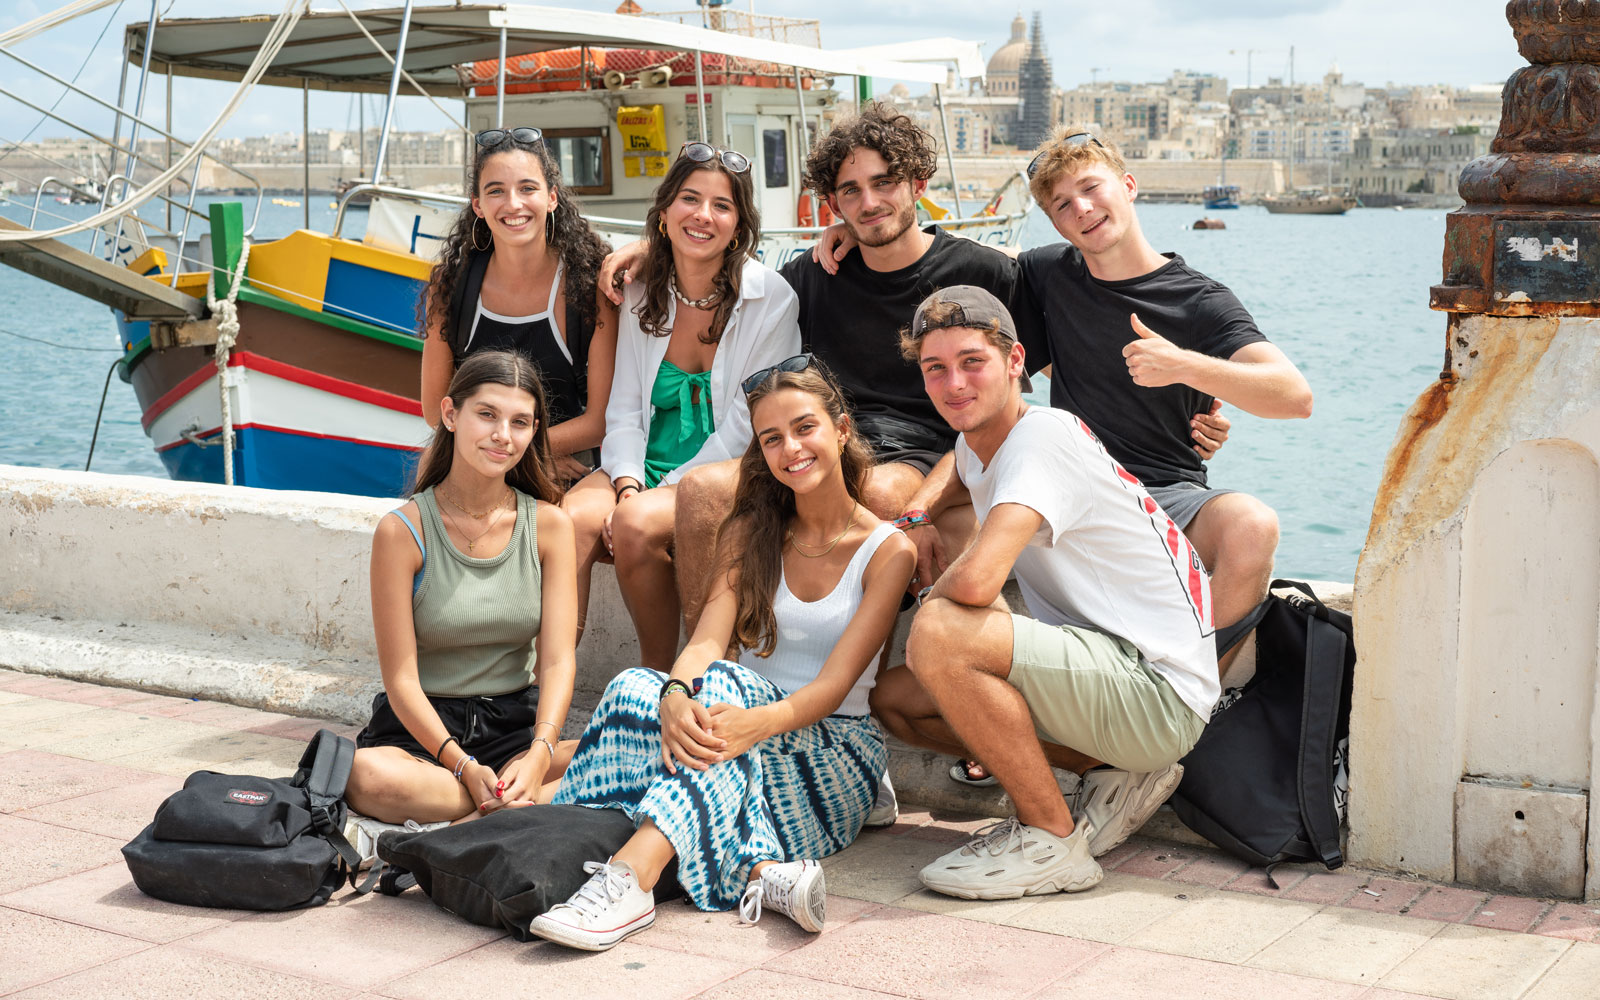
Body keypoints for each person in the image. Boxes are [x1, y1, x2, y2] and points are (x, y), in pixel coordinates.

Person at [529, 360, 915, 951]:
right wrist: (677, 697)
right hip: (736, 740)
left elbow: (836, 686)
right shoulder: (750, 531)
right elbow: (706, 642)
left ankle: (630, 881)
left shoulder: (888, 551)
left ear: (840, 430)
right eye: (772, 438)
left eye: (805, 427)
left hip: (831, 752)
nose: (791, 448)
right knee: (638, 685)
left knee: (719, 694)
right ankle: (762, 872)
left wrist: (746, 722)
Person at [880, 286, 1217, 900]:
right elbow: (960, 463)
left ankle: (1052, 838)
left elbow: (981, 581)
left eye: (972, 362)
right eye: (936, 369)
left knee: (941, 632)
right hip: (1114, 674)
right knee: (897, 701)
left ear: (1015, 363)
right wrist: (917, 514)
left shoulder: (1043, 438)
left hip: (1157, 687)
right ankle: (1112, 774)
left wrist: (934, 598)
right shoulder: (982, 439)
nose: (954, 383)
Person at [1013, 126, 1313, 634]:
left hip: (1167, 494)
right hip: (1073, 490)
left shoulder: (1198, 300)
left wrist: (1183, 366)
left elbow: (1295, 396)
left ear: (1128, 185)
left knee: (1253, 526)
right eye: (1062, 205)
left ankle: (1192, 690)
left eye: (1091, 188)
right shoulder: (1044, 273)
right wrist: (844, 230)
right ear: (1054, 224)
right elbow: (946, 259)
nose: (1081, 209)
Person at [564, 141, 799, 665]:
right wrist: (627, 483)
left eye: (722, 205)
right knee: (573, 522)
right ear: (665, 212)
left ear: (739, 226)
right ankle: (541, 689)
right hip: (643, 460)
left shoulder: (772, 298)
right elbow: (624, 406)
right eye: (690, 199)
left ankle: (660, 672)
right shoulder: (641, 290)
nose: (703, 215)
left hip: (726, 466)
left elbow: (748, 424)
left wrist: (653, 495)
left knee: (634, 525)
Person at [345, 350, 578, 827]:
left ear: (534, 432)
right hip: (423, 736)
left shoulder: (550, 526)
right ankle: (518, 806)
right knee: (364, 776)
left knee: (642, 744)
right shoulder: (402, 531)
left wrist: (539, 754)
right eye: (487, 415)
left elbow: (556, 660)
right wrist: (463, 766)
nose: (502, 436)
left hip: (515, 731)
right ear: (451, 414)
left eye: (520, 422)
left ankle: (490, 808)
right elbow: (401, 681)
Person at [419, 126, 618, 488]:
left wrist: (529, 455)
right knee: (429, 467)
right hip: (486, 454)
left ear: (552, 197)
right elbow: (436, 409)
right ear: (478, 205)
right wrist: (515, 455)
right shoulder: (451, 286)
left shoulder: (589, 286)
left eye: (528, 188)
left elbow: (599, 421)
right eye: (496, 191)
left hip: (567, 461)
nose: (513, 204)